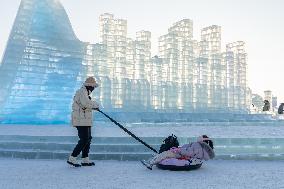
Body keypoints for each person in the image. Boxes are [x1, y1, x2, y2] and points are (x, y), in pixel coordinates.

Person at [67, 77, 100, 167]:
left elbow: (86, 104)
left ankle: (85, 159)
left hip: (84, 120)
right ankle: (72, 158)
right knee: (84, 139)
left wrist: (93, 106)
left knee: (88, 139)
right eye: (93, 87)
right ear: (89, 86)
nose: (93, 89)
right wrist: (96, 105)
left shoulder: (85, 92)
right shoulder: (82, 92)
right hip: (81, 120)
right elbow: (86, 103)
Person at [141, 135, 215, 170]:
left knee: (166, 153)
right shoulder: (200, 147)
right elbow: (188, 149)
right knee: (167, 152)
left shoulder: (198, 147)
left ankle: (150, 163)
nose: (199, 136)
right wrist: (179, 148)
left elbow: (189, 153)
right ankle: (157, 157)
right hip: (182, 153)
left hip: (182, 155)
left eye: (201, 136)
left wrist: (178, 150)